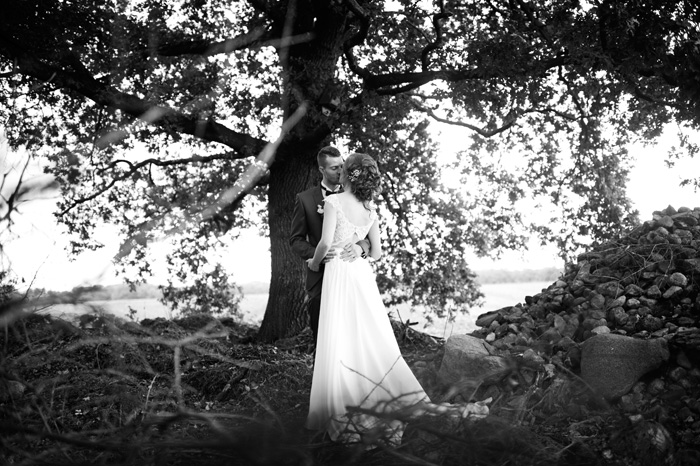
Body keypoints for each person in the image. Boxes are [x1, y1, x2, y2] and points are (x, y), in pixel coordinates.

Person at [304, 152, 430, 445]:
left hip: (338, 271)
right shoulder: (370, 209)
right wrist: (360, 248)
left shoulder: (334, 202)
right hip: (361, 276)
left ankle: (345, 399)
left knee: (341, 335)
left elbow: (325, 242)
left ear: (347, 174)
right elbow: (377, 253)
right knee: (367, 334)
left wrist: (314, 263)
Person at [290, 146, 370, 345]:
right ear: (321, 170)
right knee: (323, 336)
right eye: (334, 168)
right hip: (319, 277)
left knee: (352, 334)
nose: (341, 171)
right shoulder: (305, 199)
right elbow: (296, 239)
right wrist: (316, 255)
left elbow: (368, 235)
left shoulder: (357, 197)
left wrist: (361, 247)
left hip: (350, 274)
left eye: (342, 166)